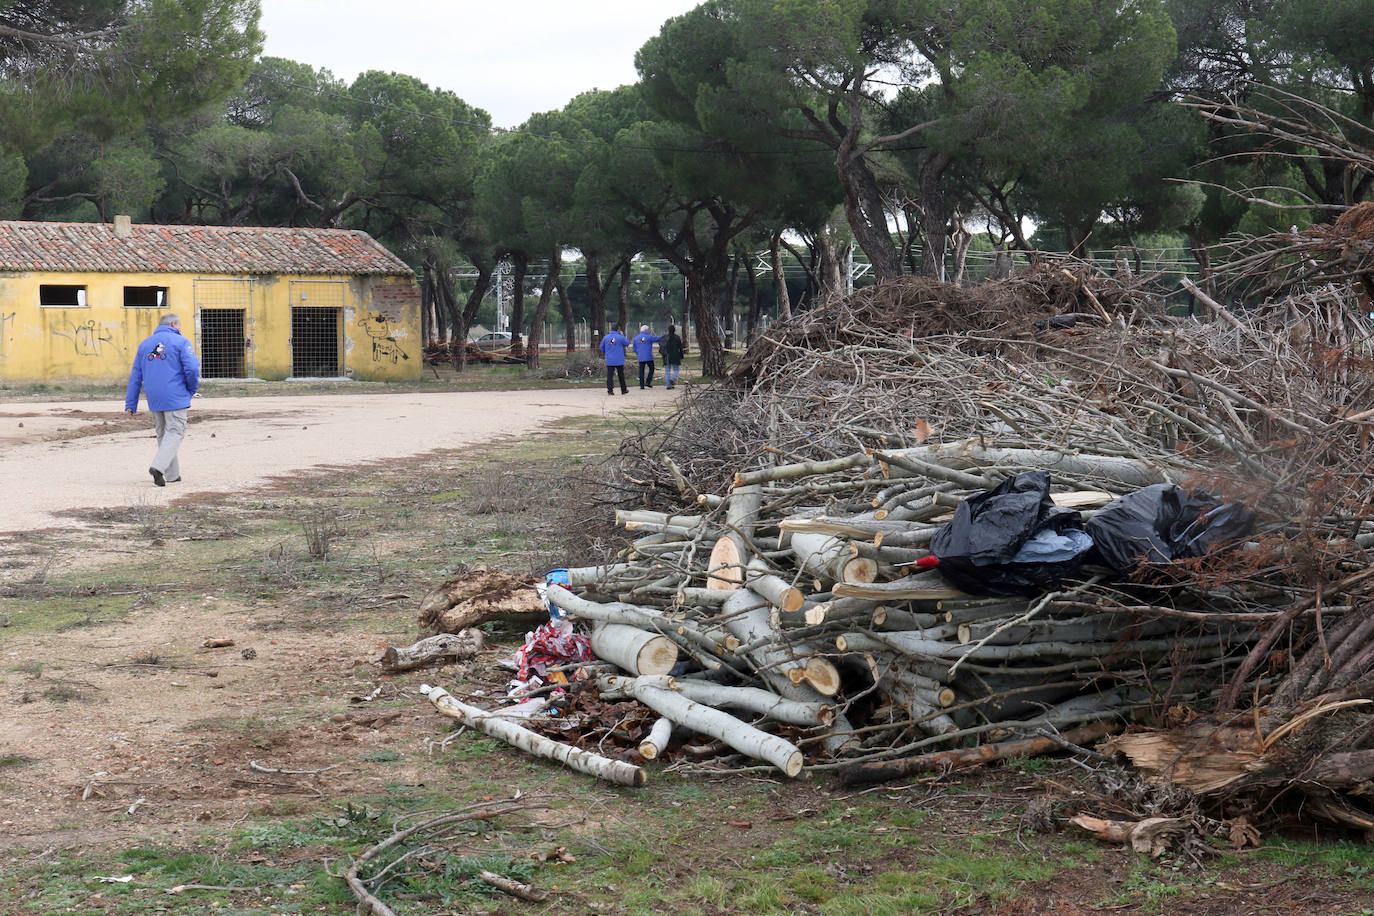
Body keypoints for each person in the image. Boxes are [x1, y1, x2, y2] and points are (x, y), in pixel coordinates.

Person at [125, 312, 200, 486]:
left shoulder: (144, 345)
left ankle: (173, 475)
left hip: (154, 397)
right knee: (175, 432)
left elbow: (136, 376)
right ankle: (158, 467)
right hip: (175, 396)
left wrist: (131, 403)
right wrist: (191, 388)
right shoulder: (182, 342)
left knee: (163, 434)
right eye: (180, 325)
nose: (180, 329)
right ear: (174, 324)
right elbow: (192, 369)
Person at [599, 323, 630, 395]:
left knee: (610, 376)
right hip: (619, 359)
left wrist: (606, 353)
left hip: (610, 359)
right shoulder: (620, 337)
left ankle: (610, 390)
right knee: (621, 375)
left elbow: (601, 347)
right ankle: (623, 389)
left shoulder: (606, 337)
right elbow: (627, 343)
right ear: (618, 329)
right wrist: (622, 335)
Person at [632, 324, 662, 389]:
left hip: (641, 357)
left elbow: (634, 349)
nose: (649, 331)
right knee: (651, 368)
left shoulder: (636, 338)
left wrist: (638, 353)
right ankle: (648, 381)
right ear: (646, 330)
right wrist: (664, 336)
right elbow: (656, 339)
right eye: (648, 330)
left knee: (641, 371)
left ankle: (641, 385)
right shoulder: (649, 336)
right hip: (648, 356)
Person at [660, 324, 685, 390]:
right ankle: (673, 379)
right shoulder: (677, 337)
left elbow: (661, 346)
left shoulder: (664, 337)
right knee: (676, 370)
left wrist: (662, 354)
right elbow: (680, 347)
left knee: (667, 371)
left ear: (668, 330)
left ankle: (668, 385)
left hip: (667, 356)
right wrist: (681, 356)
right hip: (675, 355)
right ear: (674, 330)